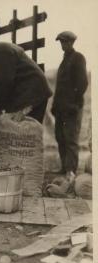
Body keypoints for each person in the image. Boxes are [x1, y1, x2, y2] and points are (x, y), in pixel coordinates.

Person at [51, 31, 88, 181]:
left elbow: (82, 83)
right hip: (61, 107)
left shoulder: (78, 58)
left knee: (71, 138)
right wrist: (55, 105)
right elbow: (60, 87)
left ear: (72, 43)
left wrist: (74, 103)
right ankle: (64, 167)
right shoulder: (64, 59)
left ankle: (71, 170)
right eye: (61, 42)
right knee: (60, 137)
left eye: (65, 42)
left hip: (71, 108)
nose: (63, 45)